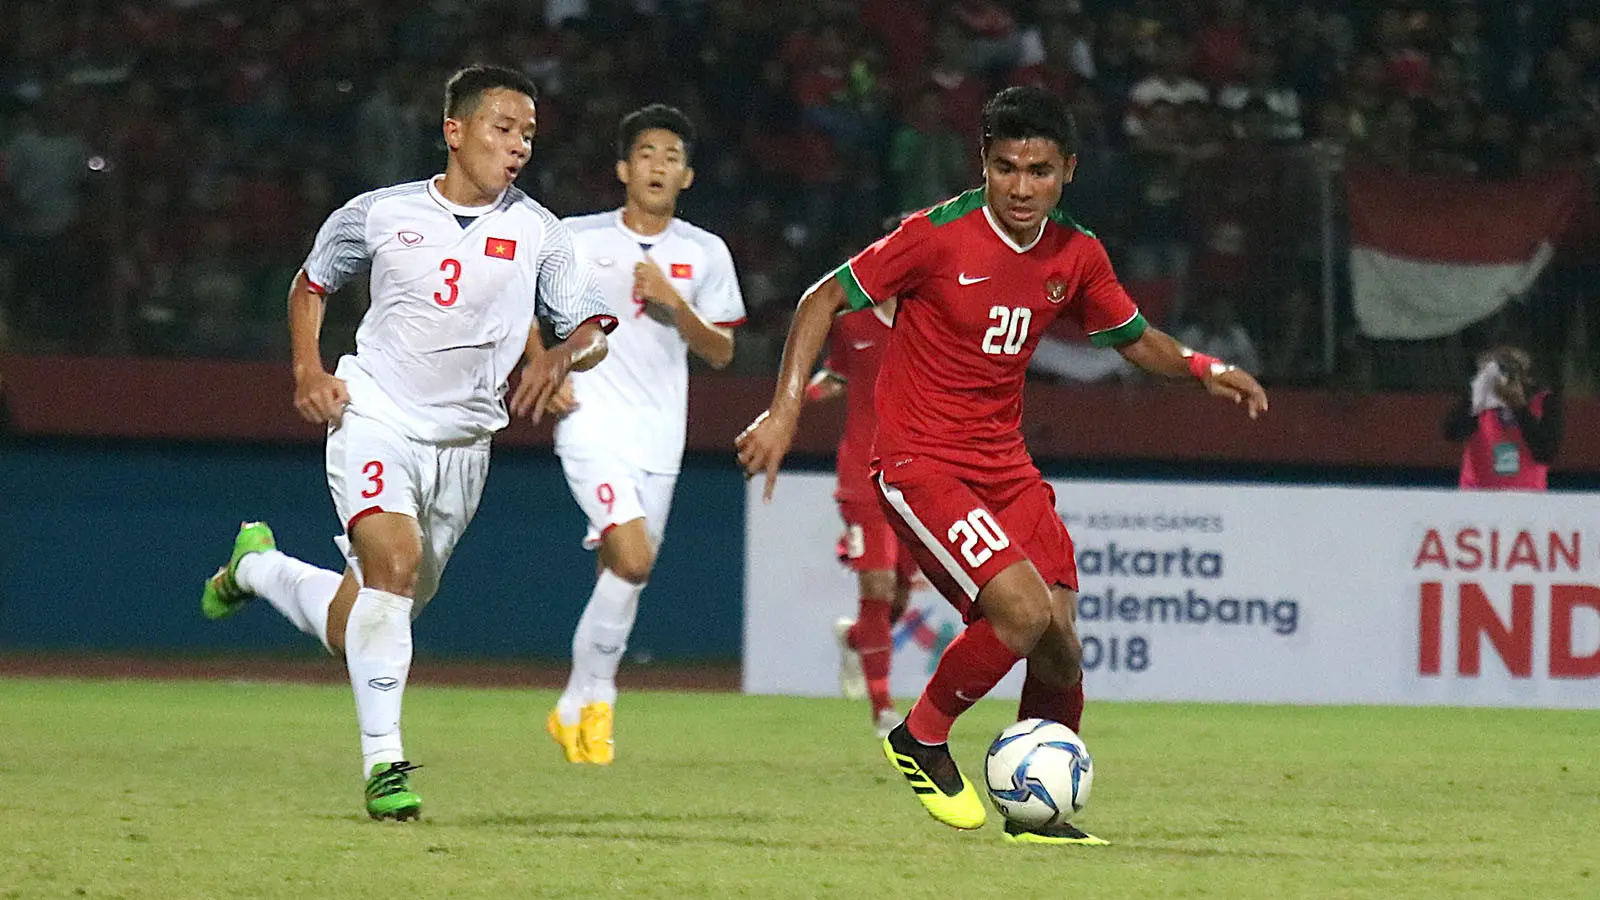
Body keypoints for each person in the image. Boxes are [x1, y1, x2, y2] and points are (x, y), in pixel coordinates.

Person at [736, 86, 1267, 845]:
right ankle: (919, 737)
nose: (1023, 187)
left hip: (1005, 467)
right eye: (1007, 168)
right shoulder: (934, 236)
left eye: (1040, 171)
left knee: (1058, 640)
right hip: (921, 463)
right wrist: (785, 411)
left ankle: (1036, 814)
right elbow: (821, 300)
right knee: (1017, 613)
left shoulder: (1076, 254)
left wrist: (1200, 365)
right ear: (982, 165)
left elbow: (1133, 336)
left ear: (1068, 171)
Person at [198, 65, 616, 820]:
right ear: (454, 131)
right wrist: (308, 371)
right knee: (394, 564)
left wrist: (561, 354)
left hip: (462, 448)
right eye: (502, 127)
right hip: (376, 416)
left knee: (357, 623)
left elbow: (590, 327)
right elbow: (311, 284)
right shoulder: (379, 213)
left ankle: (255, 567)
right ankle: (385, 767)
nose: (518, 146)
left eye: (528, 134)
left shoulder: (539, 231)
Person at [545, 104, 745, 765]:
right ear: (624, 169)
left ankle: (574, 705)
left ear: (687, 176)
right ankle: (599, 698)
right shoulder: (576, 238)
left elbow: (720, 350)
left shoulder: (705, 252)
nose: (660, 166)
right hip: (591, 422)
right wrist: (542, 366)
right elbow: (516, 295)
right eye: (648, 155)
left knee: (623, 574)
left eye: (673, 158)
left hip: (661, 437)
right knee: (633, 557)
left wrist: (673, 302)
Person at [804, 296, 920, 738]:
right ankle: (884, 709)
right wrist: (794, 400)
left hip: (918, 476)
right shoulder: (852, 323)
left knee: (900, 597)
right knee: (877, 584)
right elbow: (837, 374)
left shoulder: (936, 320)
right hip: (862, 475)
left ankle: (856, 640)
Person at [1444, 345, 1563, 490]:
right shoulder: (1477, 404)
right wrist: (1476, 399)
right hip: (1477, 496)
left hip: (1528, 498)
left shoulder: (1544, 403)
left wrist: (1519, 407)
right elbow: (1451, 434)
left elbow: (1546, 453)